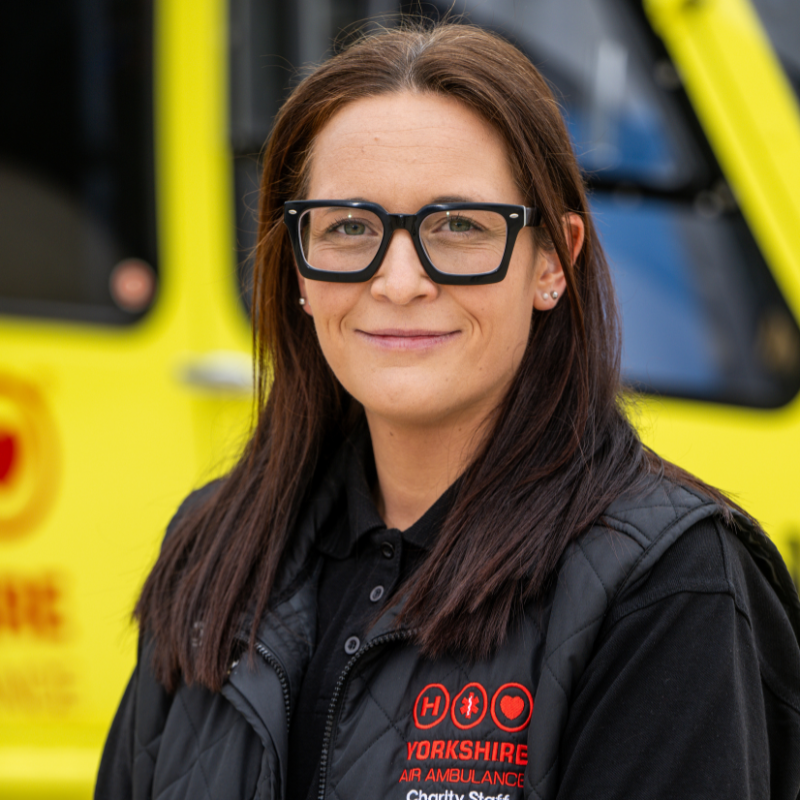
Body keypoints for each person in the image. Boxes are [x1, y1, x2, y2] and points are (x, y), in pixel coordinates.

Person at [95, 22, 800, 800]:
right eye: (349, 227)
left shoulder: (666, 584)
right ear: (298, 265)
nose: (398, 281)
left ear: (552, 262)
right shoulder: (216, 550)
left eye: (459, 227)